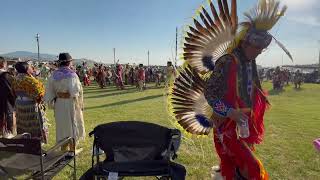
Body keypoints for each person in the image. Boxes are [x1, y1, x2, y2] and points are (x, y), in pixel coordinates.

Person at [168, 0, 292, 179]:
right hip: (226, 126)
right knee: (252, 170)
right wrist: (229, 112)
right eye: (257, 47)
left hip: (242, 124)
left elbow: (251, 90)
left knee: (233, 169)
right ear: (245, 43)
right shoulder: (228, 61)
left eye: (262, 49)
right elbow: (209, 93)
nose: (259, 52)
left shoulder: (250, 62)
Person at [45, 53, 85, 151]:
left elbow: (49, 92)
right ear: (69, 62)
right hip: (70, 103)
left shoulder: (53, 75)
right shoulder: (72, 75)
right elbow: (76, 91)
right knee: (72, 123)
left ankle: (64, 147)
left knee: (62, 125)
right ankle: (72, 148)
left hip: (59, 104)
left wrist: (53, 102)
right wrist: (79, 101)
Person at [13, 61, 48, 143]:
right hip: (30, 107)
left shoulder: (15, 79)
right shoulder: (30, 80)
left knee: (23, 124)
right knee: (33, 126)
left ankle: (25, 142)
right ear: (26, 68)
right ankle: (36, 144)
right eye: (29, 67)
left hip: (19, 105)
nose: (31, 68)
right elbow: (40, 94)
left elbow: (14, 92)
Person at [0, 57, 16, 137]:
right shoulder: (6, 75)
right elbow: (11, 90)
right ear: (3, 64)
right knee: (6, 118)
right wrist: (14, 100)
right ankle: (7, 135)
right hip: (5, 102)